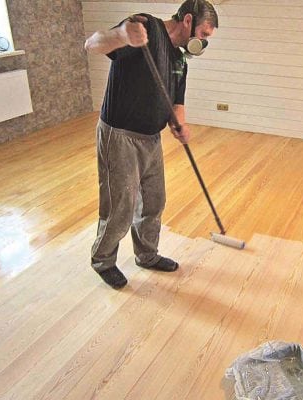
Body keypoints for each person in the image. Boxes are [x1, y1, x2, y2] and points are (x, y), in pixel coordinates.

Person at [84, 0, 218, 289]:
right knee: (121, 204)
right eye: (204, 34)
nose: (203, 42)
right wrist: (121, 36)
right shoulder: (146, 29)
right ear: (188, 21)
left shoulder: (181, 59)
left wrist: (179, 123)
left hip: (150, 138)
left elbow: (176, 102)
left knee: (154, 201)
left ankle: (147, 254)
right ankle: (103, 260)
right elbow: (92, 44)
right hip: (120, 134)